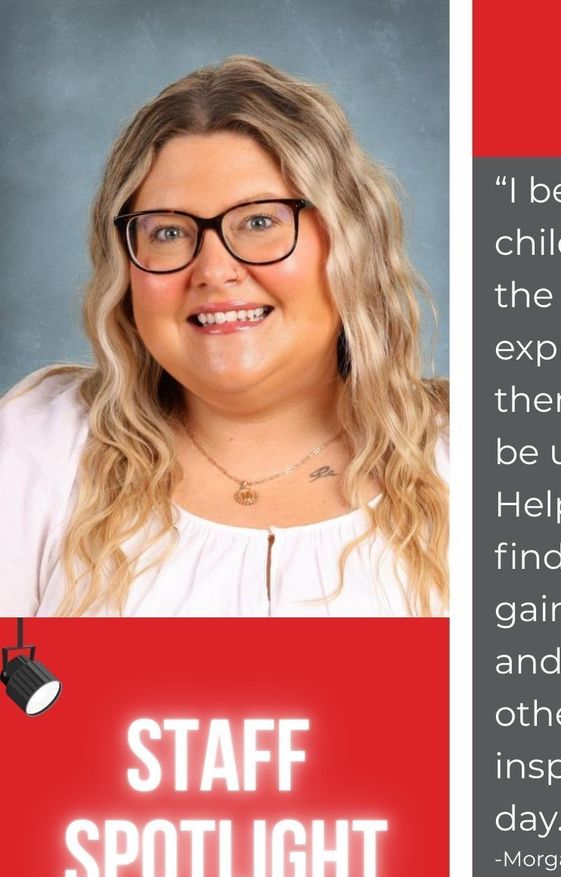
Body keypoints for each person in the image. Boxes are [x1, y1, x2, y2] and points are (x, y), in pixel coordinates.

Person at [0, 57, 448, 617]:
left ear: (348, 243)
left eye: (259, 222)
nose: (213, 269)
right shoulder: (34, 448)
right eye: (168, 231)